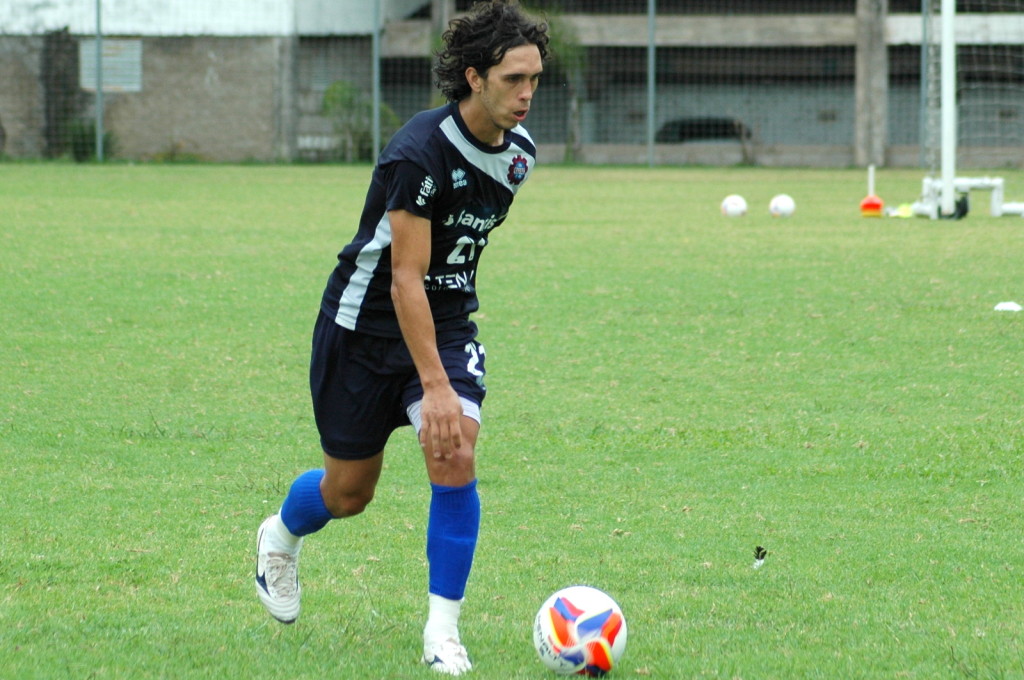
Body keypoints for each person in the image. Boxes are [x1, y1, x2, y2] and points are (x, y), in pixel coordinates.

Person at [255, 1, 549, 675]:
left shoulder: (521, 157)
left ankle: (441, 633)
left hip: (443, 326)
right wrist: (436, 388)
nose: (527, 92)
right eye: (513, 78)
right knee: (348, 493)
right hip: (361, 329)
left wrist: (445, 388)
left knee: (454, 448)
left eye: (535, 77)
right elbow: (404, 278)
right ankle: (278, 535)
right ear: (474, 76)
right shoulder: (417, 151)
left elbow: (448, 272)